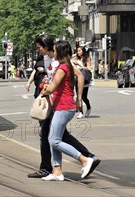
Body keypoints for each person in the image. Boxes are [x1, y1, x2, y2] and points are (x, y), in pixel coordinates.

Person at [26, 34, 99, 179]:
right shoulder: (53, 62)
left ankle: (85, 159)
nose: (39, 50)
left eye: (40, 48)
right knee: (55, 136)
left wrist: (78, 98)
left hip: (63, 105)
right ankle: (57, 171)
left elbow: (76, 78)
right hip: (56, 104)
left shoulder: (63, 65)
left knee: (53, 138)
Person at [72, 46, 92, 118]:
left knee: (84, 97)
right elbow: (68, 58)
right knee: (78, 96)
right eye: (77, 51)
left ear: (83, 51)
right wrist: (75, 55)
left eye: (80, 51)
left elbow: (89, 68)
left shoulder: (87, 58)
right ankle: (81, 112)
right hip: (77, 79)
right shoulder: (76, 58)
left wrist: (81, 65)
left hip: (85, 79)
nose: (78, 52)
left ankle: (89, 107)